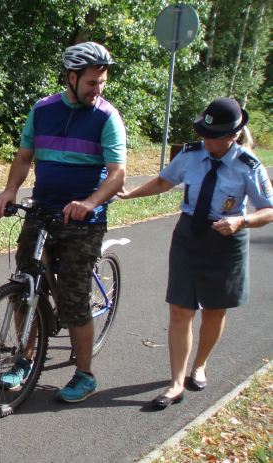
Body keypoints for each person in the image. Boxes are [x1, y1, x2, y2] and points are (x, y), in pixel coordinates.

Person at [0, 41, 127, 403]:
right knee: (25, 286)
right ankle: (25, 358)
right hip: (42, 211)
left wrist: (89, 202)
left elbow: (117, 175)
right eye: (91, 83)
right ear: (71, 77)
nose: (97, 90)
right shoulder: (43, 109)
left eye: (101, 82)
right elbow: (24, 157)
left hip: (83, 221)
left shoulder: (107, 117)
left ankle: (84, 375)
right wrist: (9, 191)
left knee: (73, 298)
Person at [118, 97, 273, 410]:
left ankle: (199, 364)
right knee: (180, 309)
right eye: (204, 132)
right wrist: (131, 193)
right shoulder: (191, 155)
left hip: (227, 240)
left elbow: (268, 210)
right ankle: (176, 383)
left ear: (233, 136)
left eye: (212, 136)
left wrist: (241, 220)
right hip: (189, 235)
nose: (206, 140)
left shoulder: (248, 166)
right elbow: (164, 181)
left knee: (215, 310)